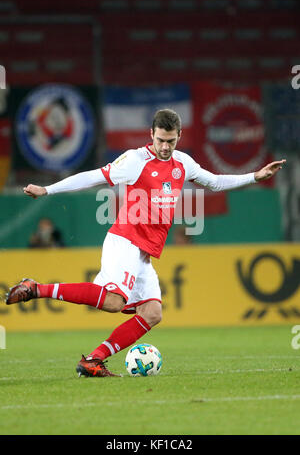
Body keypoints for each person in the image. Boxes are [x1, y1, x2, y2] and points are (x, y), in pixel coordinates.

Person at [6, 109, 286, 377]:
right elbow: (93, 177)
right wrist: (47, 190)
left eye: (171, 141)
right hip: (125, 240)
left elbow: (213, 182)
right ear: (151, 134)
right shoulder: (134, 160)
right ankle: (36, 288)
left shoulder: (183, 163)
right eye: (161, 140)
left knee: (152, 313)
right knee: (115, 301)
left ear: (179, 136)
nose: (165, 147)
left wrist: (255, 176)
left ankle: (94, 360)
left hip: (144, 252)